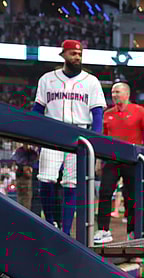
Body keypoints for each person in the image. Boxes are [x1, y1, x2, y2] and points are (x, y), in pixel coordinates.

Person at [33, 39, 106, 234]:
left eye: (79, 54)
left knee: (71, 184)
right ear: (63, 54)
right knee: (45, 179)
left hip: (79, 134)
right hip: (52, 132)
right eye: (73, 54)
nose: (77, 57)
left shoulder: (91, 81)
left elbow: (98, 114)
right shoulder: (47, 79)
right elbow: (37, 110)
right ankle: (50, 220)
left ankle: (65, 231)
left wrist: (94, 138)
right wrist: (34, 134)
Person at [93, 81, 144, 244]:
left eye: (118, 92)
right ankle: (103, 230)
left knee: (131, 196)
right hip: (112, 159)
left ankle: (132, 232)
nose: (114, 95)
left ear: (127, 94)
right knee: (105, 192)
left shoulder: (139, 111)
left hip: (132, 160)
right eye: (113, 92)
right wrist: (99, 160)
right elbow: (104, 139)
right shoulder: (107, 114)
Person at [12, 144, 38, 212]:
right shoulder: (20, 151)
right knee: (22, 197)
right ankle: (23, 213)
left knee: (26, 198)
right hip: (21, 176)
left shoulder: (31, 152)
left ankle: (25, 213)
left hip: (26, 177)